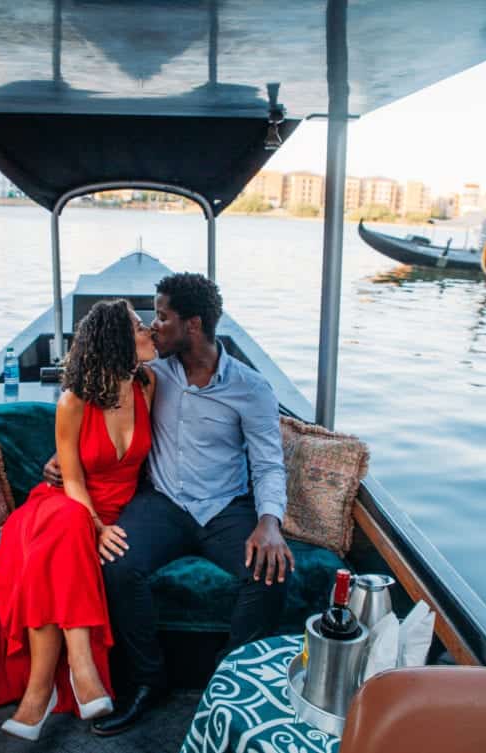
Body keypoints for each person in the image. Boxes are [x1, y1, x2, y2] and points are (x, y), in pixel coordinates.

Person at [88, 272, 294, 737]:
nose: (153, 326)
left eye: (162, 316)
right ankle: (147, 681)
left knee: (273, 572)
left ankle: (226, 681)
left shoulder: (251, 388)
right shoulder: (150, 373)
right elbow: (94, 404)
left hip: (225, 508)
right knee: (117, 565)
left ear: (193, 325)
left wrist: (269, 522)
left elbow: (267, 464)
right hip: (161, 502)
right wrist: (59, 461)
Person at [0, 299, 157, 741]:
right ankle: (78, 670)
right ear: (118, 339)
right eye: (139, 325)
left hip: (108, 510)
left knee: (65, 535)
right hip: (63, 504)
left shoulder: (148, 384)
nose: (150, 329)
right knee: (70, 521)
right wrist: (97, 526)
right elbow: (72, 481)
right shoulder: (72, 401)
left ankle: (38, 699)